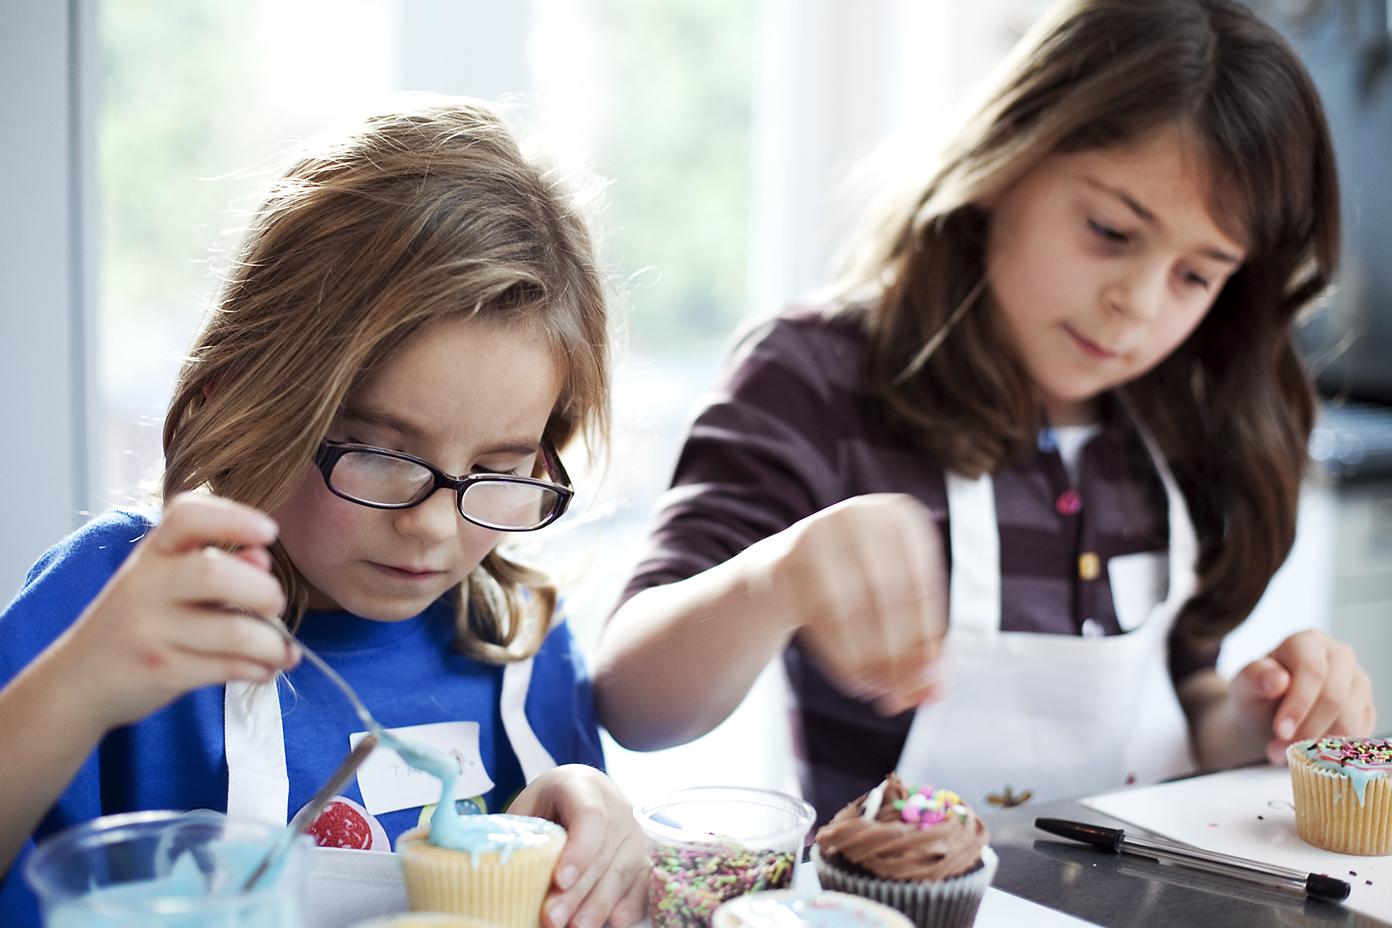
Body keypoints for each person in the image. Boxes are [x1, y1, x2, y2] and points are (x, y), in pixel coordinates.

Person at [594, 0, 1377, 825]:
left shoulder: (1189, 420)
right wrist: (775, 577)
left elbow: (1191, 697)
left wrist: (1259, 723)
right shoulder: (812, 379)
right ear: (1008, 158)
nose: (1136, 305)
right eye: (1111, 231)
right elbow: (631, 701)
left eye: (1197, 275)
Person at [0, 97, 647, 927]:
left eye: (497, 467)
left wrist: (593, 819)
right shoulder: (123, 601)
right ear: (258, 396)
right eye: (382, 453)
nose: (435, 527)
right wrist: (77, 688)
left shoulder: (522, 645)